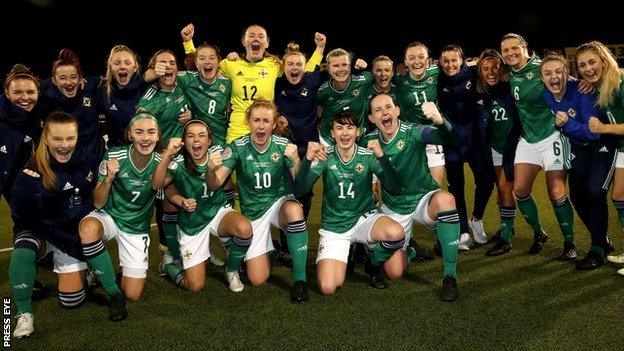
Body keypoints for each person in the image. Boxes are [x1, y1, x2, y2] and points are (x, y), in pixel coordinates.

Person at [8, 112, 116, 339]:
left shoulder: (86, 158)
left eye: (70, 138)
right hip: (44, 233)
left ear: (77, 137)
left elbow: (93, 200)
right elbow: (22, 220)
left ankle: (87, 272)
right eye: (57, 139)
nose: (65, 145)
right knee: (23, 249)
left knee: (71, 300)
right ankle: (24, 313)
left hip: (71, 235)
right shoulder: (30, 174)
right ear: (46, 138)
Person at [205, 99, 310, 302]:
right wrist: (210, 169)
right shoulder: (237, 147)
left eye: (266, 121)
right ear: (248, 122)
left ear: (274, 124)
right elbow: (214, 184)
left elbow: (301, 187)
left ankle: (300, 280)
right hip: (254, 213)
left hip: (278, 203)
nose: (261, 125)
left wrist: (297, 160)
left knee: (295, 211)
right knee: (258, 278)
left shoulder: (283, 145)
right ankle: (268, 250)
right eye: (256, 120)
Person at [362, 93, 460, 301]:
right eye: (377, 110)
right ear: (371, 118)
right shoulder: (367, 141)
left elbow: (450, 139)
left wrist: (440, 121)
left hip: (424, 200)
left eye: (388, 106)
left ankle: (450, 276)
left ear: (397, 111)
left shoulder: (413, 131)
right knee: (395, 273)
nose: (384, 112)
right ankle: (409, 252)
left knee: (446, 200)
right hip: (394, 207)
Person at [295, 111, 406, 294]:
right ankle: (349, 250)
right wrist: (307, 159)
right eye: (339, 128)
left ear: (358, 132)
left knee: (396, 236)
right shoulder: (324, 156)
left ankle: (372, 263)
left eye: (349, 127)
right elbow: (300, 190)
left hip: (364, 218)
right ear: (332, 133)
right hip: (335, 225)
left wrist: (382, 157)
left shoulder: (367, 156)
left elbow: (395, 188)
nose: (345, 133)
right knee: (328, 287)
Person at [152, 119, 253, 292]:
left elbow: (223, 182)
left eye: (201, 135)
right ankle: (168, 265)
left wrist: (212, 168)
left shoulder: (219, 155)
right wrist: (167, 155)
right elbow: (156, 185)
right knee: (195, 285)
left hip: (216, 212)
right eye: (191, 136)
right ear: (184, 141)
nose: (196, 140)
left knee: (244, 228)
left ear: (209, 140)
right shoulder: (178, 163)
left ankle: (231, 270)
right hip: (192, 223)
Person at [181, 23, 323, 143]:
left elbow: (301, 71)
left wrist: (319, 50)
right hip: (238, 129)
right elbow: (203, 63)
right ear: (243, 41)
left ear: (267, 43)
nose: (256, 38)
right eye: (251, 36)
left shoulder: (274, 65)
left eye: (261, 36)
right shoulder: (231, 64)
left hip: (265, 126)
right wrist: (188, 42)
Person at [500, 33, 575, 255]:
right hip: (528, 139)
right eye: (506, 50)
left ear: (525, 48)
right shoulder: (511, 74)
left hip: (553, 134)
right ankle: (539, 232)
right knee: (520, 191)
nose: (511, 53)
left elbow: (565, 81)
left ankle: (569, 242)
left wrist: (584, 87)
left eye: (515, 48)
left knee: (556, 191)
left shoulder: (541, 67)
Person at [78, 112, 161, 308]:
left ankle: (110, 269)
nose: (145, 138)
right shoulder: (114, 156)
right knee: (88, 228)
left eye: (151, 132)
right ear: (130, 135)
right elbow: (98, 203)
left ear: (158, 135)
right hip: (110, 216)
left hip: (136, 226)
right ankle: (96, 271)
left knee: (132, 294)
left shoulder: (162, 162)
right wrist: (108, 179)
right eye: (139, 132)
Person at [274, 39, 326, 263]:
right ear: (283, 66)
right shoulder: (276, 84)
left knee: (305, 193)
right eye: (290, 64)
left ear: (306, 66)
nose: (294, 68)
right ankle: (285, 246)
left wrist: (358, 66)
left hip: (309, 148)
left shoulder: (313, 79)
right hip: (285, 146)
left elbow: (340, 73)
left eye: (299, 64)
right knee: (286, 193)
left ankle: (299, 236)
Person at [437, 44, 493, 248]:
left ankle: (476, 219)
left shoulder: (474, 73)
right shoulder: (437, 79)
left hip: (475, 141)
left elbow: (496, 66)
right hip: (451, 143)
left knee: (486, 182)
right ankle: (462, 231)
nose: (450, 64)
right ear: (439, 62)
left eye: (454, 60)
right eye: (446, 60)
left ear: (462, 60)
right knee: (456, 190)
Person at [575, 41, 624, 272]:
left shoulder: (621, 81)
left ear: (604, 60)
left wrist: (603, 128)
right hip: (621, 148)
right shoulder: (598, 86)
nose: (587, 68)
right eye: (582, 65)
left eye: (592, 62)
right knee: (619, 197)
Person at [139, 49, 191, 266]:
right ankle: (166, 249)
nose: (168, 66)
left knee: (184, 200)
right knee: (164, 203)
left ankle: (185, 244)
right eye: (163, 63)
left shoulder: (183, 86)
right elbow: (141, 127)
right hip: (163, 158)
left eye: (172, 62)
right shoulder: (150, 96)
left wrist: (190, 117)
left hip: (184, 156)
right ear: (155, 68)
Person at [473, 49, 521, 256]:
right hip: (493, 147)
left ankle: (507, 238)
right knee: (504, 191)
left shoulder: (510, 87)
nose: (490, 72)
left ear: (502, 68)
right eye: (485, 68)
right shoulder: (479, 91)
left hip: (513, 145)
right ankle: (507, 229)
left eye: (495, 67)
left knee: (507, 189)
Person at [39, 49, 104, 164]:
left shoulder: (90, 87)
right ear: (54, 80)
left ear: (80, 78)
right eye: (63, 78)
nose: (69, 82)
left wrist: (146, 75)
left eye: (73, 77)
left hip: (93, 156)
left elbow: (113, 79)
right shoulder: (46, 95)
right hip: (63, 157)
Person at [394, 42, 445, 186]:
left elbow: (463, 69)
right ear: (405, 62)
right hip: (409, 139)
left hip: (432, 136)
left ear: (428, 59)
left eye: (421, 57)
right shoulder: (398, 80)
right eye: (411, 58)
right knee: (410, 186)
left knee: (435, 187)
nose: (416, 62)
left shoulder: (436, 72)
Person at [1, 64, 42, 203]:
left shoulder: (43, 113)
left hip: (33, 184)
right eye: (17, 92)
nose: (25, 98)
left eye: (30, 92)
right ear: (7, 93)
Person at [317, 48, 374, 146]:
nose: (341, 69)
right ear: (328, 69)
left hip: (358, 136)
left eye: (344, 65)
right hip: (329, 139)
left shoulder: (363, 80)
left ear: (350, 66)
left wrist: (364, 67)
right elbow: (318, 111)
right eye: (335, 66)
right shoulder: (322, 91)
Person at [98, 45, 149, 147]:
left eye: (127, 63)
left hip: (144, 148)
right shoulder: (101, 89)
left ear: (135, 68)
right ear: (110, 67)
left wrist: (185, 114)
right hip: (116, 149)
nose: (122, 66)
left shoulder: (145, 86)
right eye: (117, 63)